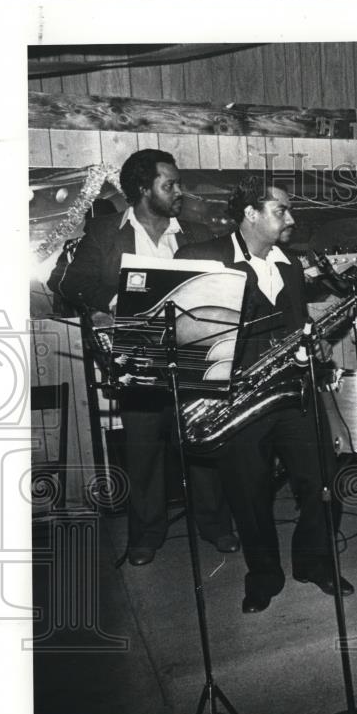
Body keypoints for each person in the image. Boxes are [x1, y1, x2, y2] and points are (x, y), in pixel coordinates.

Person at [49, 149, 235, 565]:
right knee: (144, 449)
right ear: (141, 188)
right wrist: (113, 300)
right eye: (169, 184)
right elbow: (64, 280)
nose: (179, 191)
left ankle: (216, 524)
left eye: (178, 183)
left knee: (202, 443)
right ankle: (145, 536)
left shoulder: (195, 232)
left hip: (194, 354)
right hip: (136, 359)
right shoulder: (104, 231)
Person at [176, 177, 351, 613]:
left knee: (324, 482)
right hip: (239, 397)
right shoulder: (203, 257)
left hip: (293, 389)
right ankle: (264, 576)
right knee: (249, 494)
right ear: (251, 213)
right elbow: (184, 329)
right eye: (281, 211)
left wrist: (314, 341)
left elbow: (294, 321)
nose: (290, 219)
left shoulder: (288, 264)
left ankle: (314, 563)